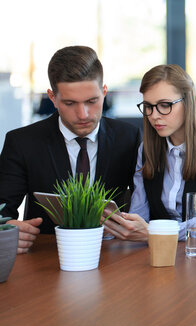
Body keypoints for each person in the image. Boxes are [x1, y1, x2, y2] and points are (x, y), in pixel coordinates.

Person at [0, 46, 140, 253]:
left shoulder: (129, 137)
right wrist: (8, 230)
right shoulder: (21, 142)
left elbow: (149, 204)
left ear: (104, 92)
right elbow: (2, 210)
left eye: (92, 101)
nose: (83, 114)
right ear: (52, 98)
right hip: (45, 256)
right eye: (70, 103)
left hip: (113, 255)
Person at [102, 64, 196, 241]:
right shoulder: (146, 150)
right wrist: (123, 225)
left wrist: (157, 232)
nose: (154, 116)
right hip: (164, 252)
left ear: (188, 102)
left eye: (165, 105)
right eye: (148, 106)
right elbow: (140, 216)